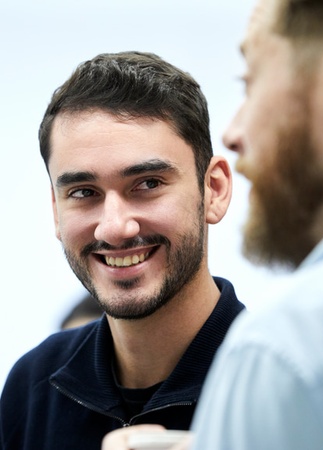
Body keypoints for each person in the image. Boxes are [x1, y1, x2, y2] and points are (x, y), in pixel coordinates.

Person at [102, 0, 323, 447]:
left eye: (250, 84)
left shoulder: (291, 348)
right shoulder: (29, 383)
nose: (234, 131)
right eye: (82, 192)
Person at [0, 51, 245, 450]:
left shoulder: (281, 381)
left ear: (213, 190)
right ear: (56, 212)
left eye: (147, 184)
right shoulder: (32, 387)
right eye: (83, 192)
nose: (114, 228)